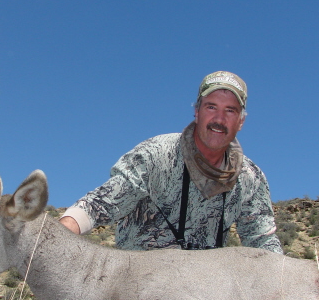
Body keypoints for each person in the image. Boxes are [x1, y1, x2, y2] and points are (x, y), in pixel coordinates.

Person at [59, 71, 283, 254]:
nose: (219, 119)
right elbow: (103, 203)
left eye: (230, 111)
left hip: (204, 292)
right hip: (138, 286)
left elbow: (262, 240)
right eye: (211, 107)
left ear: (241, 121)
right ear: (197, 112)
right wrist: (59, 234)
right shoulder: (156, 154)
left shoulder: (249, 178)